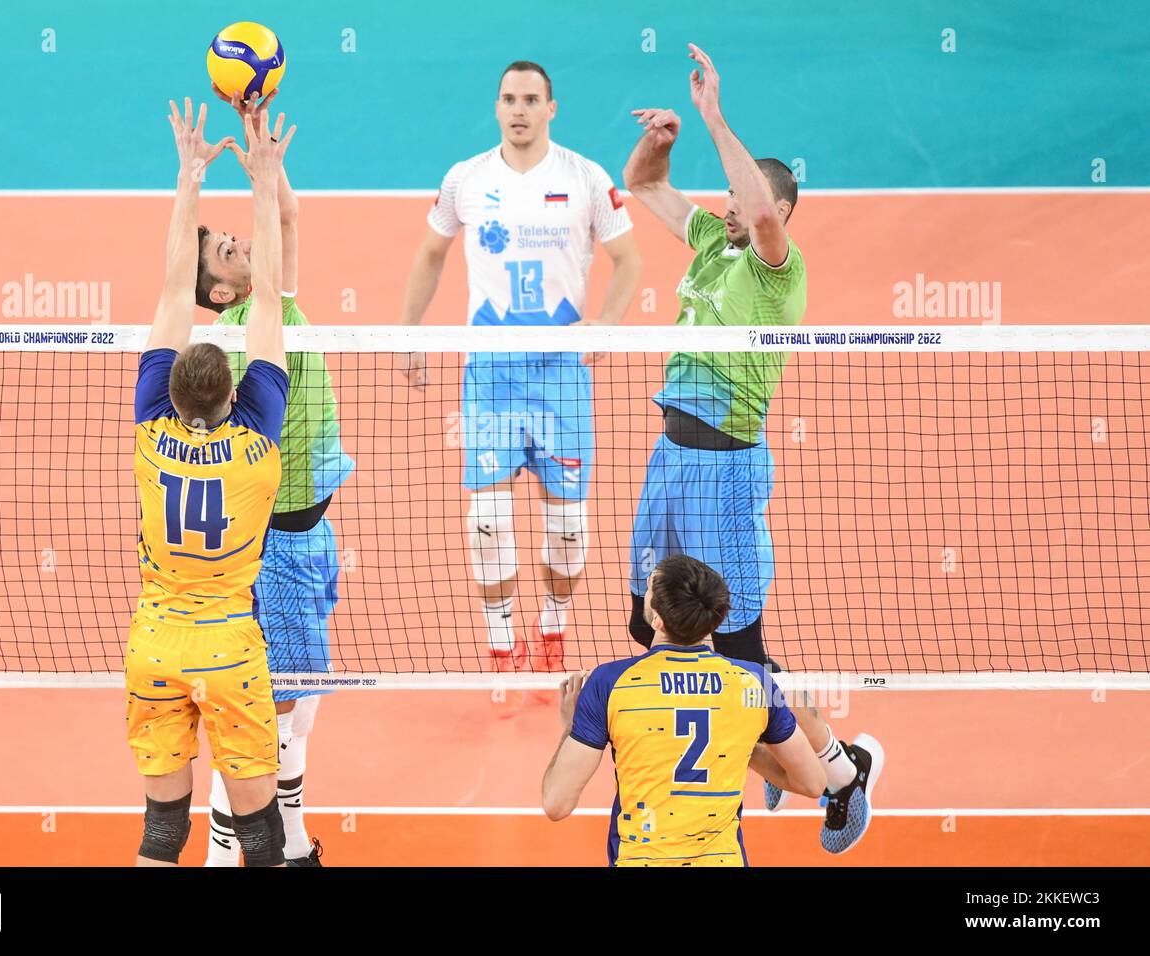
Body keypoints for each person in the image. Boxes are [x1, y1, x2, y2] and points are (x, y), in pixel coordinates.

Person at [621, 43, 884, 853]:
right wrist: (663, 140)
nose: (732, 206)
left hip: (725, 467)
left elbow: (763, 215)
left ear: (775, 210)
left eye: (745, 197)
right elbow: (643, 186)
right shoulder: (711, 243)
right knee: (648, 622)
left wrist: (713, 117)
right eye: (732, 198)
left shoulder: (777, 267)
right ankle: (778, 761)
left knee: (739, 651)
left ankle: (841, 772)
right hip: (671, 457)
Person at [398, 61, 642, 673]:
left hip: (561, 377)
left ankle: (552, 629)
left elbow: (629, 261)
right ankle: (502, 642)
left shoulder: (585, 177)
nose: (519, 109)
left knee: (568, 532)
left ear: (551, 108)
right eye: (509, 98)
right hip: (491, 376)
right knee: (487, 520)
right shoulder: (467, 179)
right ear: (497, 105)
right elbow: (430, 254)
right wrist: (409, 333)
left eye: (531, 99)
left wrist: (607, 325)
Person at [126, 98, 292, 866]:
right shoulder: (257, 442)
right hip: (227, 648)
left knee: (163, 831)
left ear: (171, 391)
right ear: (234, 395)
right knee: (261, 835)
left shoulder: (152, 434)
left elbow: (167, 294)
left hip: (153, 644)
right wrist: (264, 181)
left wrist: (189, 175)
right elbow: (267, 305)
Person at [196, 89, 354, 868]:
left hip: (307, 536)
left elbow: (285, 222)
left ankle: (282, 838)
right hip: (280, 545)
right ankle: (253, 850)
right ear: (223, 292)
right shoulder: (236, 341)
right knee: (275, 711)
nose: (244, 245)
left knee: (297, 703)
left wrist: (267, 165)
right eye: (229, 251)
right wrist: (258, 183)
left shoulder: (275, 307)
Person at [542, 554, 826, 866]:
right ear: (714, 620)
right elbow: (812, 783)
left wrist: (570, 727)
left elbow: (556, 804)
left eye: (650, 588)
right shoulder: (754, 683)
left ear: (657, 620)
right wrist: (740, 745)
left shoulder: (609, 684)